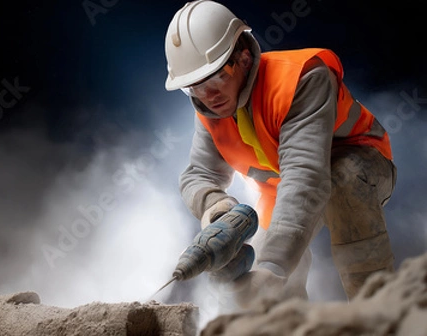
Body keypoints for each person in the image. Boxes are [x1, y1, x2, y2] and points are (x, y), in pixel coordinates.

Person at [163, 0, 397, 307]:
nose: (208, 95)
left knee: (342, 182)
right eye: (194, 87)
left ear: (244, 58)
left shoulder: (303, 78)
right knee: (258, 280)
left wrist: (274, 267)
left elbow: (306, 178)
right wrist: (217, 209)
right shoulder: (210, 109)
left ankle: (381, 314)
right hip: (286, 188)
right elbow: (199, 174)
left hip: (360, 163)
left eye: (216, 77)